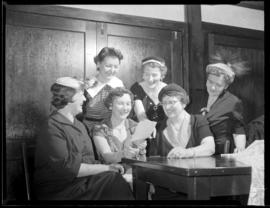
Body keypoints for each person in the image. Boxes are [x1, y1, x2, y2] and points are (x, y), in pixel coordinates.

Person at [34, 77, 134, 200]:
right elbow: (70, 169)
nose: (85, 99)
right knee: (113, 180)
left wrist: (111, 166)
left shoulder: (80, 125)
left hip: (82, 183)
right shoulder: (51, 127)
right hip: (61, 190)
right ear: (69, 97)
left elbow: (89, 160)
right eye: (81, 95)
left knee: (114, 179)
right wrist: (107, 167)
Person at [148, 83, 215, 200]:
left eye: (172, 102)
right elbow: (153, 160)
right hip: (165, 189)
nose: (167, 107)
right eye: (164, 103)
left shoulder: (198, 121)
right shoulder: (158, 128)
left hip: (196, 187)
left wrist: (186, 152)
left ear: (184, 103)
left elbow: (209, 147)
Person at [198, 49, 249, 154]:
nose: (212, 87)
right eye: (210, 82)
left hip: (220, 152)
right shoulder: (196, 97)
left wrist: (240, 149)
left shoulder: (233, 102)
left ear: (226, 86)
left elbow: (238, 128)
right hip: (198, 149)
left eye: (218, 85)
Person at [92, 87, 147, 164]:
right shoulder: (100, 129)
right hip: (111, 173)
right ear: (110, 105)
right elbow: (106, 156)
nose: (125, 108)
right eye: (120, 103)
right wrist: (125, 154)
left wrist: (141, 150)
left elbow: (143, 159)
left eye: (128, 104)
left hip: (135, 172)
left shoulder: (136, 126)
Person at [82, 47, 125, 137]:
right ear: (98, 64)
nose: (112, 70)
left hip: (110, 128)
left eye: (116, 67)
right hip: (88, 128)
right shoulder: (88, 84)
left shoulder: (119, 84)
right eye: (108, 66)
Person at [130, 56, 167, 156]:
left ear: (161, 75)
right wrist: (148, 127)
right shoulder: (136, 88)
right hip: (142, 131)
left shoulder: (168, 90)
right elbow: (140, 114)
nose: (150, 79)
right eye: (146, 74)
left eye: (154, 75)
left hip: (164, 134)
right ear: (142, 74)